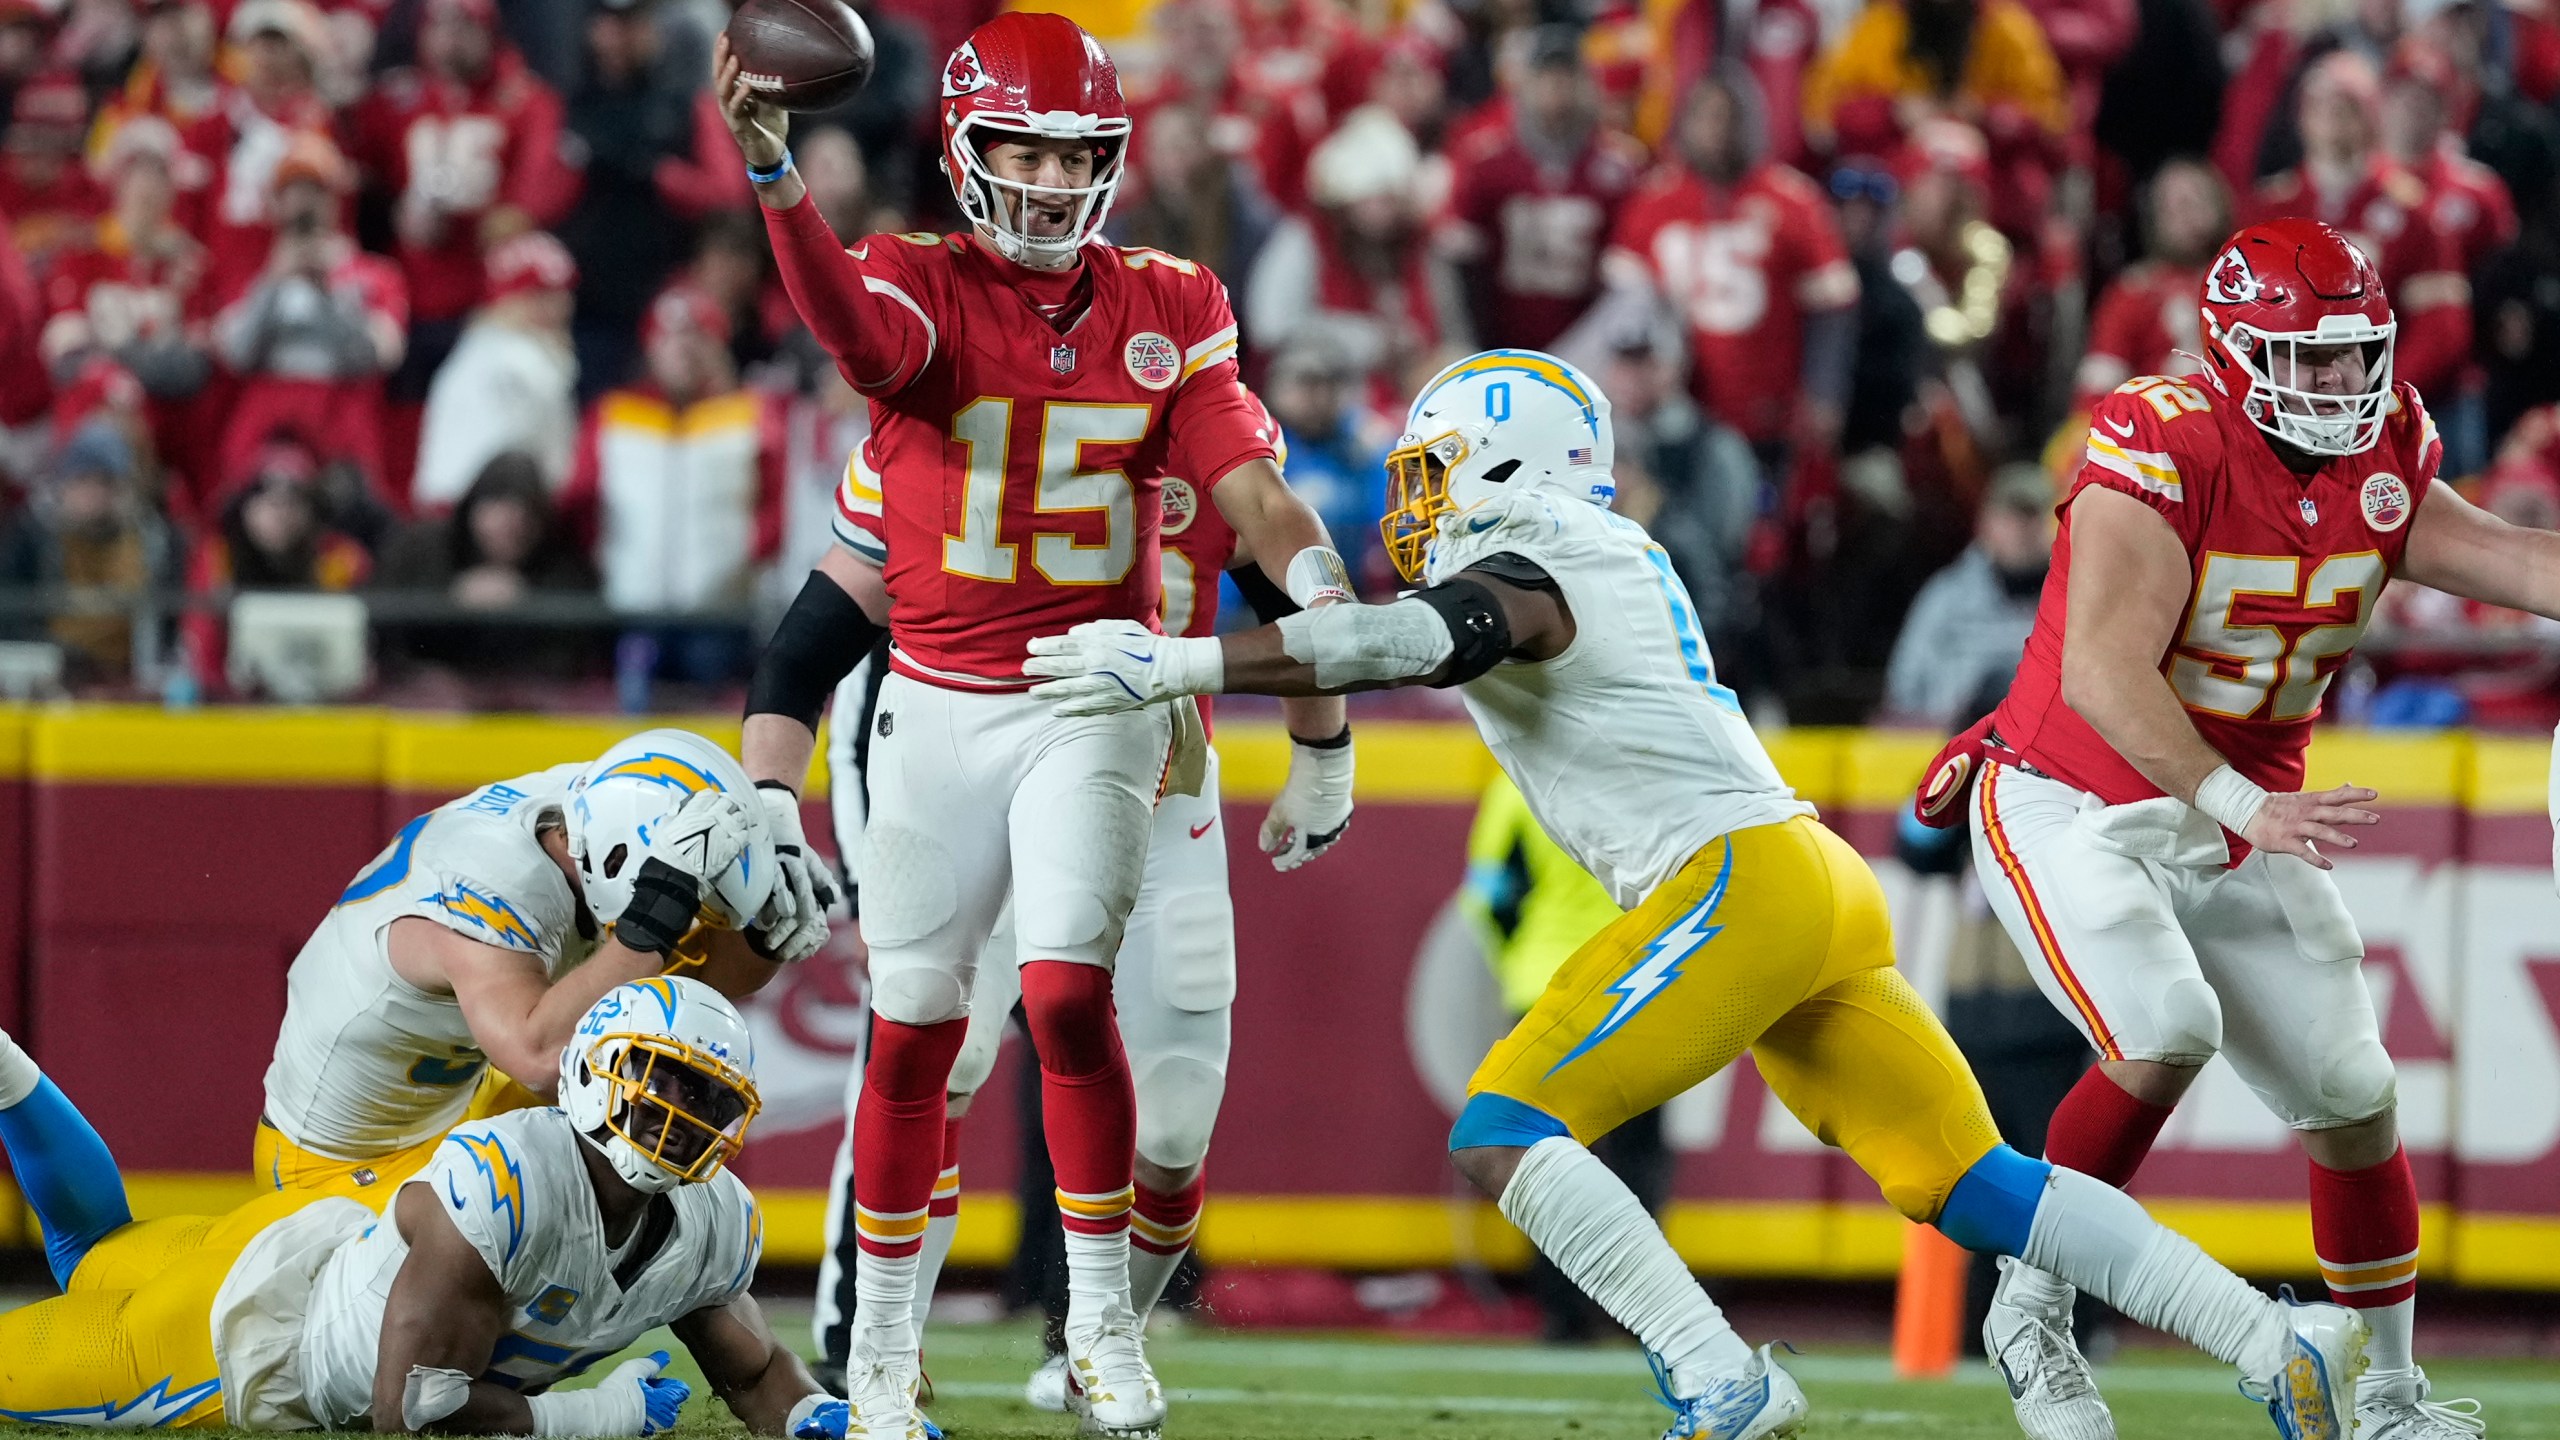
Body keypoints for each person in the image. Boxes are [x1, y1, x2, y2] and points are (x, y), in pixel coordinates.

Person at [1024, 347, 2370, 1439]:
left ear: (1505, 463)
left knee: (1504, 1127)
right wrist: (1316, 755)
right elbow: (1393, 636)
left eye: (1433, 469)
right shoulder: (1596, 548)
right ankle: (2273, 1338)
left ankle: (1718, 1381)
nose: (1415, 500)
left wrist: (1187, 664)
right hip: (1800, 879)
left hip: (1738, 877)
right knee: (1975, 1184)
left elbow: (1411, 639)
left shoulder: (1536, 543)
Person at [717, 12, 1349, 1435]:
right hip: (940, 703)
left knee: (1081, 1014)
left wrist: (1330, 648)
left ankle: (1107, 1325)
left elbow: (1253, 515)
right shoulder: (911, 290)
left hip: (1111, 702)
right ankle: (879, 1346)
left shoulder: (1173, 313)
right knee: (921, 1030)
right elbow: (854, 367)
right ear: (963, 148)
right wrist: (777, 183)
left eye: (1080, 156)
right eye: (1024, 150)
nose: (1056, 183)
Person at [1920, 218, 2560, 1439]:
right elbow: (2107, 673)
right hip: (2072, 794)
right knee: (2164, 1029)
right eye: (2307, 359)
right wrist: (2245, 805)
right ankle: (2031, 1306)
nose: (2337, 385)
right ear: (2234, 346)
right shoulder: (2157, 436)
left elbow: (2518, 564)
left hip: (2233, 820)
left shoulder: (2385, 446)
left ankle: (2386, 1399)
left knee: (2353, 1092)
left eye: (2351, 356)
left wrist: (2241, 814)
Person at [812, 395, 1354, 1411]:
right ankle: (890, 1346)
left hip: (1157, 785)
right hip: (991, 768)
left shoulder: (1204, 423)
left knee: (1180, 1113)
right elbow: (846, 619)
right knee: (941, 1050)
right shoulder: (962, 407)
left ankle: (1100, 1345)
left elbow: (1286, 593)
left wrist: (1322, 755)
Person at [0, 977, 855, 1438]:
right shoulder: (515, 1178)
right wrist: (590, 1415)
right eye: (663, 1078)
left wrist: (834, 1424)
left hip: (308, 1246)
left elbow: (752, 1376)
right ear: (595, 1072)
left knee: (98, 1248)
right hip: (241, 1345)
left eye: (708, 1097)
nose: (683, 1112)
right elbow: (410, 1409)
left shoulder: (714, 1222)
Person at [254, 726, 779, 1200]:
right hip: (336, 1165)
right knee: (562, 1213)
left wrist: (767, 933)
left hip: (459, 1103)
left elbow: (700, 985)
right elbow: (542, 1056)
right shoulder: (479, 888)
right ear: (622, 861)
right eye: (690, 901)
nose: (689, 922)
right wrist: (663, 905)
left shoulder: (605, 818)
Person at [1601, 69, 1857, 477]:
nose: (1718, 130)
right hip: (1672, 407)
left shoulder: (1793, 199)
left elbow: (1833, 307)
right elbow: (1624, 313)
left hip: (1769, 404)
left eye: (1729, 117)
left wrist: (1825, 391)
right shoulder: (1653, 201)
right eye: (1706, 116)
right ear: (1684, 123)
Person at [564, 283, 784, 692]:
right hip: (629, 609)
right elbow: (582, 500)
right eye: (672, 339)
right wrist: (603, 559)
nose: (685, 351)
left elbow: (775, 503)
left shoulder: (750, 413)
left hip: (720, 615)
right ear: (651, 346)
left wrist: (742, 562)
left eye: (699, 338)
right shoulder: (613, 413)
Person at [2247, 52, 2470, 401]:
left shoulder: (2413, 210)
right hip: (2286, 399)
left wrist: (2378, 393)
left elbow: (2441, 327)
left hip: (2381, 400)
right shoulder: (2271, 209)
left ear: (2371, 116)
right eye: (2321, 105)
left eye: (2346, 105)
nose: (2332, 117)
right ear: (2301, 118)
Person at [209, 132, 408, 497]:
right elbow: (237, 355)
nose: (304, 203)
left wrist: (326, 291)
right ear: (277, 202)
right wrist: (273, 284)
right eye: (293, 191)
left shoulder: (377, 276)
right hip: (265, 417)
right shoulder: (252, 275)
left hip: (341, 416)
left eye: (316, 191)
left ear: (336, 200)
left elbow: (376, 356)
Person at [1443, 25, 1647, 354]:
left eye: (1566, 77)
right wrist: (1470, 343)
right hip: (1503, 333)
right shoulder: (1488, 164)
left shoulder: (1618, 169)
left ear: (1587, 85)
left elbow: (1627, 276)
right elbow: (1459, 261)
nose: (1556, 89)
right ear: (1525, 85)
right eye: (1546, 77)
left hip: (1589, 343)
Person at [375, 450, 601, 684]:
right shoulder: (420, 550)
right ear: (472, 508)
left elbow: (570, 656)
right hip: (417, 702)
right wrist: (451, 595)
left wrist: (527, 599)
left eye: (526, 516)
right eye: (496, 509)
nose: (510, 526)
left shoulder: (564, 570)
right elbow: (380, 626)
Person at [412, 231, 581, 508]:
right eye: (541, 295)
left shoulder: (482, 349)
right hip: (479, 510)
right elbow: (520, 453)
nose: (560, 305)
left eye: (561, 294)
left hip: (468, 507)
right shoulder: (512, 359)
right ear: (513, 299)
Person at [1882, 464, 2052, 727]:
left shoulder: (2074, 600)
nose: (2021, 529)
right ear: (1986, 523)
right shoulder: (1947, 597)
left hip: (2046, 746)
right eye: (2010, 517)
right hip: (1955, 746)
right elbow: (1903, 689)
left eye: (2032, 516)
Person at [2075, 159, 2228, 403]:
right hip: (2159, 431)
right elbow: (2095, 396)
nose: (2186, 214)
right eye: (2175, 204)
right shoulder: (2133, 292)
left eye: (2196, 200)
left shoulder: (2251, 286)